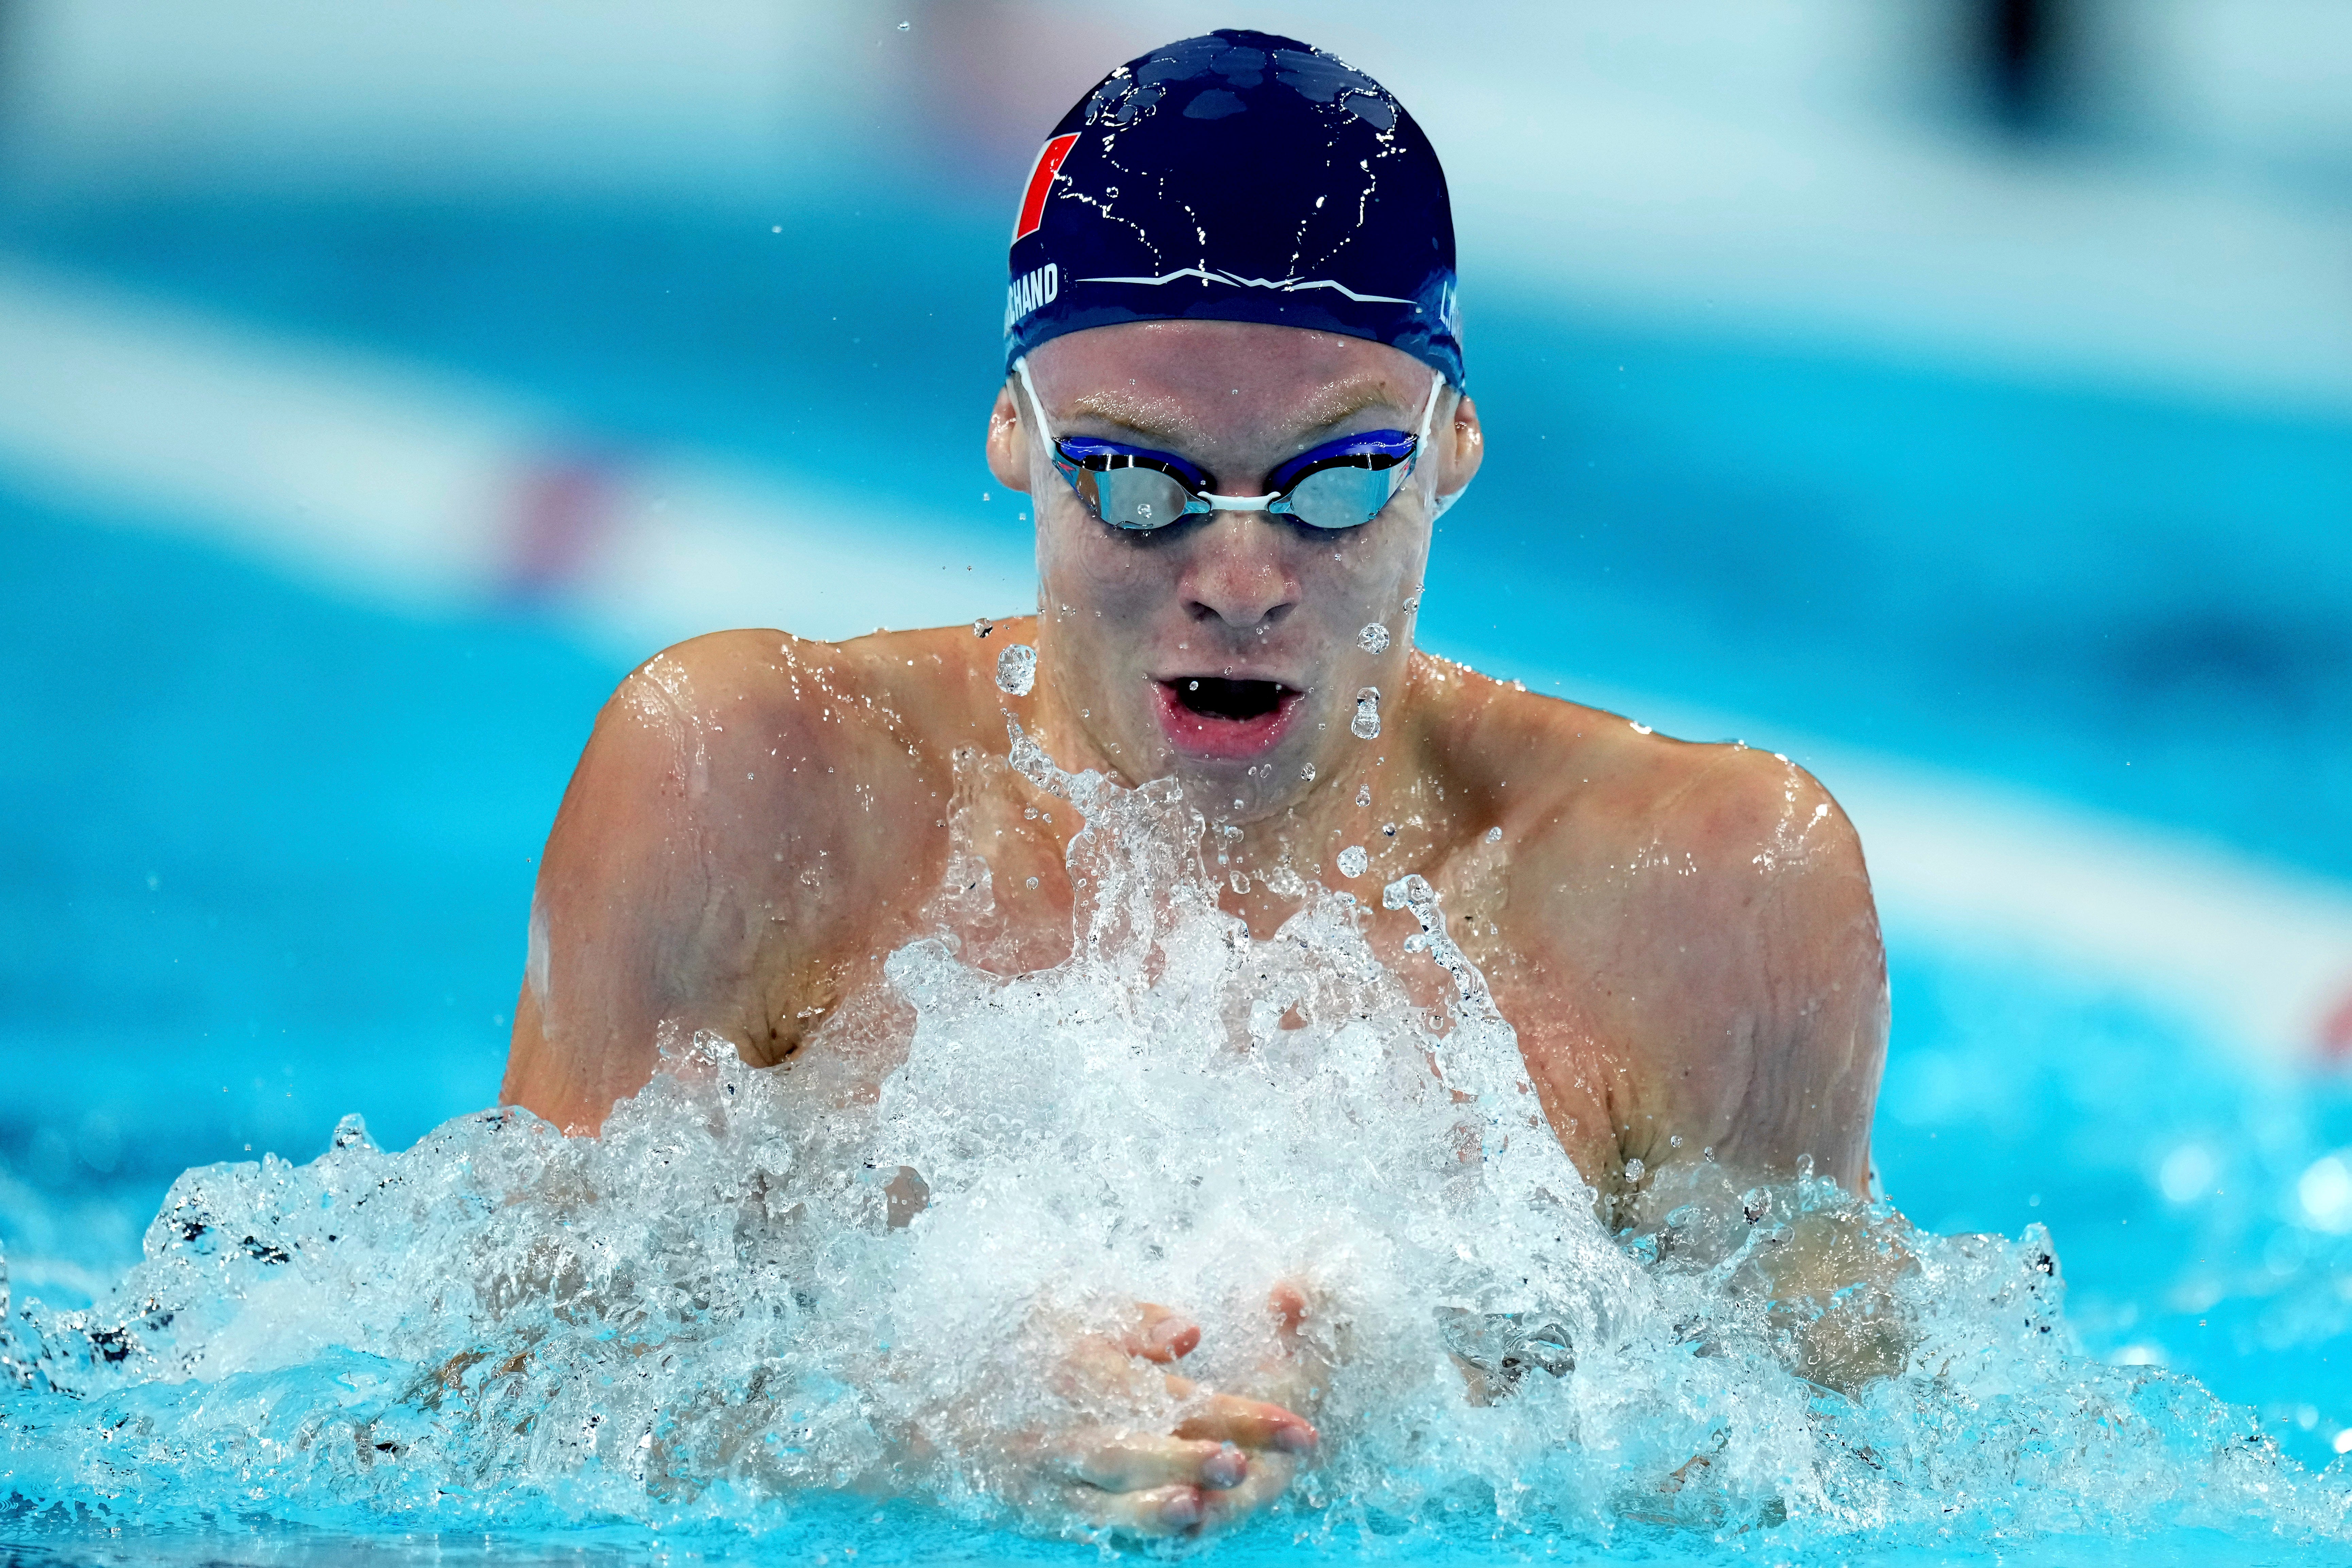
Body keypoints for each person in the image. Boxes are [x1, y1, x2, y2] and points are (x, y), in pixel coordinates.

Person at [500, 29, 1889, 1539]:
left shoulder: (1706, 889)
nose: (1237, 579)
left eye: (1338, 480)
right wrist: (914, 1416)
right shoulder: (751, 784)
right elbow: (487, 1392)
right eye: (1138, 483)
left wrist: (1446, 1398)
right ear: (1011, 437)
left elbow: (1851, 1477)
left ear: (1456, 445)